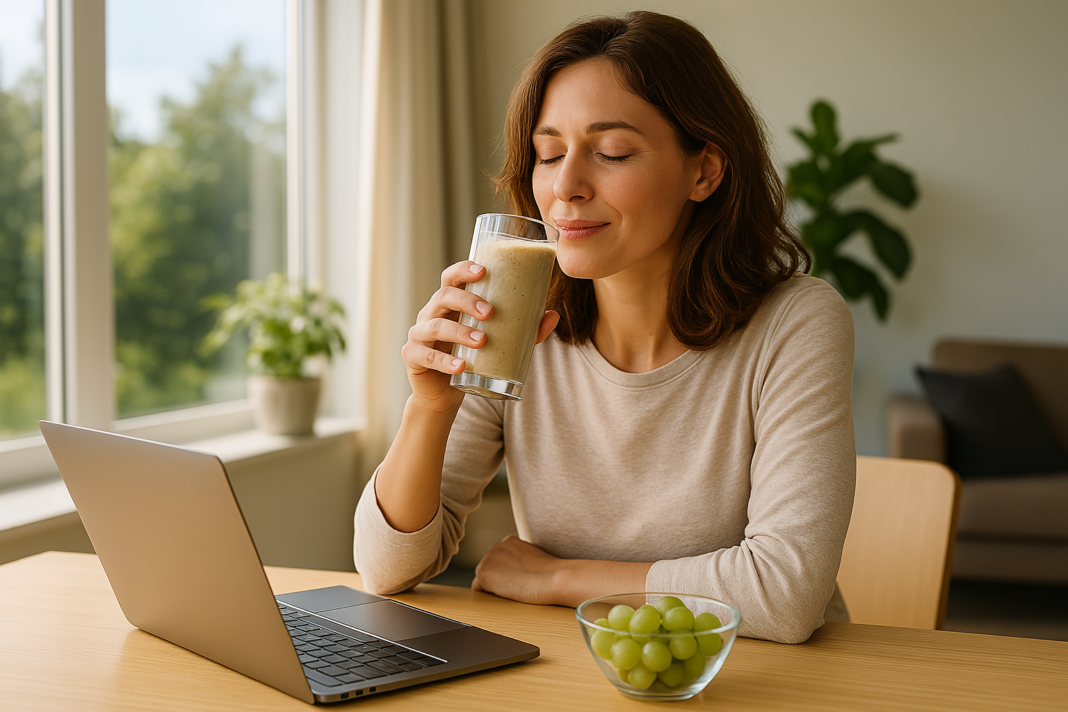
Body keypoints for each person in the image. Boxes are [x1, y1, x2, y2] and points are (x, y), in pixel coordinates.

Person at [353, 10, 855, 645]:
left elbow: (784, 595)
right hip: (574, 670)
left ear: (704, 171)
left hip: (759, 678)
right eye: (548, 153)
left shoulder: (795, 323)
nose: (566, 187)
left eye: (611, 152)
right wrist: (428, 407)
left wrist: (558, 580)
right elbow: (385, 568)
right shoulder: (517, 325)